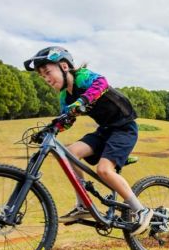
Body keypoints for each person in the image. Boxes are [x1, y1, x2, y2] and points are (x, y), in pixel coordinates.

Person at [24, 46, 153, 233]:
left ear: (64, 66)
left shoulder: (82, 76)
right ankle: (83, 205)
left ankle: (142, 210)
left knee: (104, 170)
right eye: (42, 76)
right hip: (105, 131)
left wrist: (83, 101)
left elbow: (101, 83)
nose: (46, 79)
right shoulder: (64, 96)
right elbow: (66, 120)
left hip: (124, 129)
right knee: (69, 153)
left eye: (47, 72)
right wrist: (49, 129)